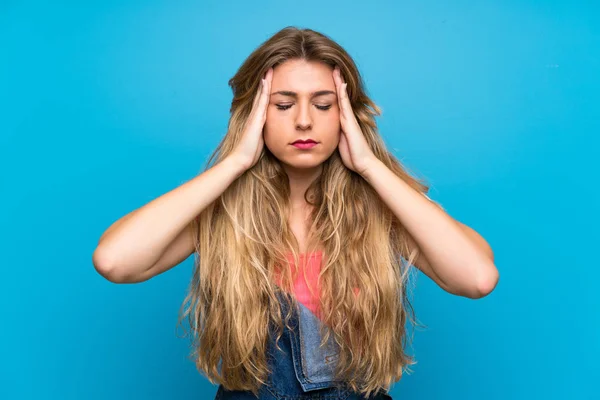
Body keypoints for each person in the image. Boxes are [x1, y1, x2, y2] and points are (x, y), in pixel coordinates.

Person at [92, 26, 499, 399]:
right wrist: (234, 163)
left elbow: (476, 278)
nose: (304, 121)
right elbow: (115, 261)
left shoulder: (383, 212)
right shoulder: (223, 215)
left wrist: (371, 167)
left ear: (347, 116)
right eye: (283, 105)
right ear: (255, 115)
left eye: (323, 105)